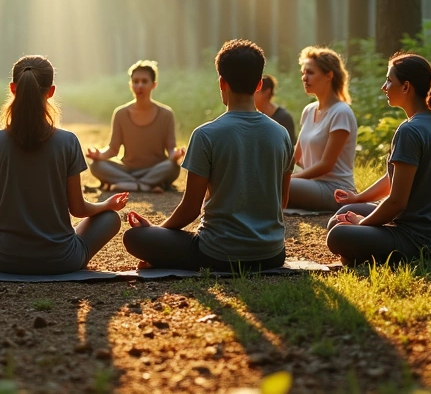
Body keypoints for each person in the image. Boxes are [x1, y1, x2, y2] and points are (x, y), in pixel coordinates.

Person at [0, 55, 128, 274]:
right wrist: (107, 205)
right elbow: (79, 209)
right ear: (51, 91)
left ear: (13, 88)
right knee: (110, 218)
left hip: (2, 259)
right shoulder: (68, 141)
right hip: (62, 261)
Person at [124, 40, 292, 272]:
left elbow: (191, 209)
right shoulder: (281, 134)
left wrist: (157, 230)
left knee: (135, 238)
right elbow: (281, 202)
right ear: (259, 84)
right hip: (272, 254)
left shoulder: (206, 134)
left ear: (221, 82)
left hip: (217, 254)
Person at [326, 53, 431, 265]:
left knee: (337, 234)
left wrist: (362, 224)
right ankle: (364, 251)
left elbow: (397, 202)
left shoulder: (410, 131)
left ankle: (364, 253)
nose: (384, 87)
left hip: (420, 240)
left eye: (389, 80)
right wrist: (358, 199)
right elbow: (398, 179)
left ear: (406, 87)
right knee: (342, 215)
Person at [86, 60, 185, 193]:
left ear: (153, 85)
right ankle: (146, 185)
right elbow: (113, 149)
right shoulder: (120, 113)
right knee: (96, 166)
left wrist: (175, 155)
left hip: (155, 169)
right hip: (127, 169)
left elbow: (171, 148)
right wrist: (99, 154)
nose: (139, 86)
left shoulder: (166, 114)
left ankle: (129, 184)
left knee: (173, 167)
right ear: (130, 84)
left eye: (144, 81)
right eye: (135, 81)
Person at [288, 47, 358, 212]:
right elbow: (296, 157)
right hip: (312, 185)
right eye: (303, 73)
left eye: (310, 72)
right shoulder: (309, 110)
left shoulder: (341, 112)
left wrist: (286, 180)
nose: (304, 78)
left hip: (334, 189)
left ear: (329, 75)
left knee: (275, 185)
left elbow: (326, 165)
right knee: (265, 180)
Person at [254, 75, 296, 149]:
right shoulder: (253, 117)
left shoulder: (283, 118)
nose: (252, 95)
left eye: (256, 92)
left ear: (267, 92)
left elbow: (289, 149)